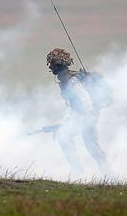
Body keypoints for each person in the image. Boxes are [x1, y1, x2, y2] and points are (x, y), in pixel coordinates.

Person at [46, 48, 112, 177]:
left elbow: (85, 102)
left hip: (88, 116)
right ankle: (106, 173)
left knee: (66, 137)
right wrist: (66, 122)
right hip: (85, 116)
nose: (51, 67)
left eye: (53, 64)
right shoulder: (66, 80)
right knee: (90, 145)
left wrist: (79, 120)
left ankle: (81, 171)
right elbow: (74, 106)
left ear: (58, 66)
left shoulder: (72, 81)